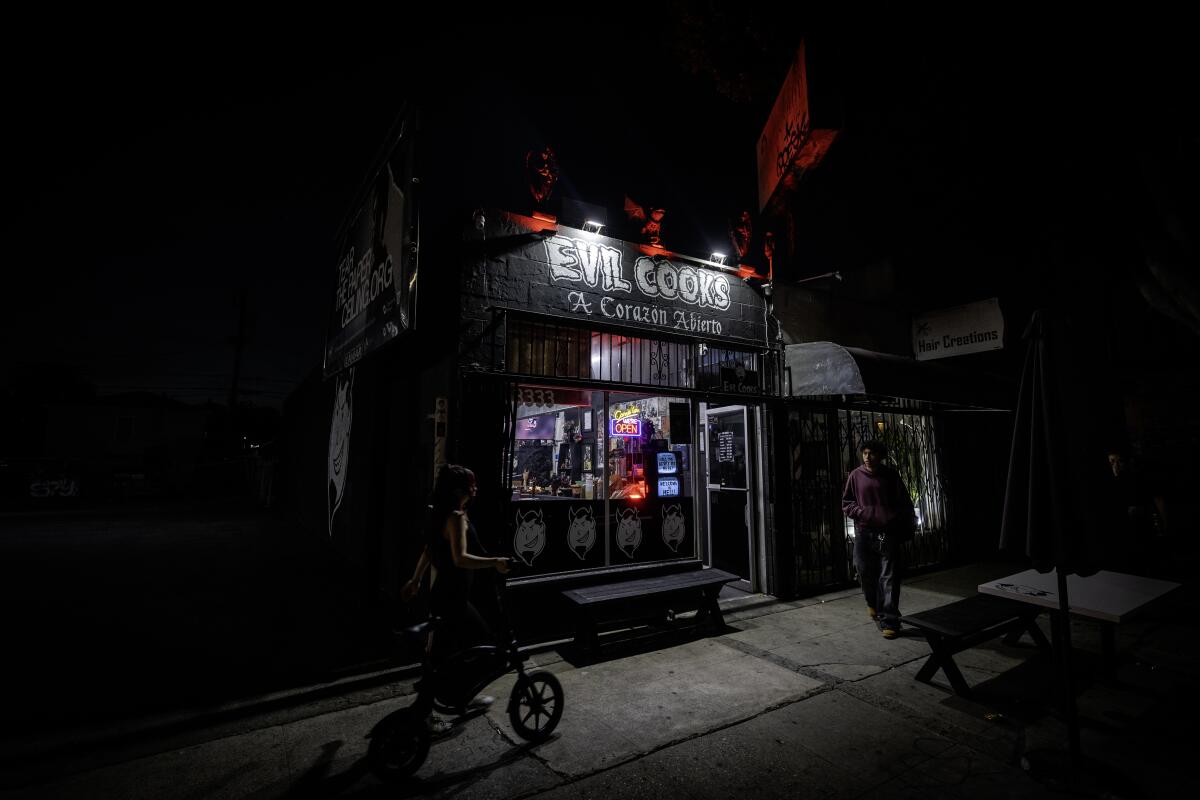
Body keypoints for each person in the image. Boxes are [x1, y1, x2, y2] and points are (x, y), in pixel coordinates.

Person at [401, 464, 510, 721]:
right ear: (460, 489)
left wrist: (415, 580)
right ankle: (449, 700)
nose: (475, 488)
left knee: (444, 655)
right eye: (472, 484)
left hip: (444, 594)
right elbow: (460, 558)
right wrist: (494, 562)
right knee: (485, 649)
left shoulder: (444, 513)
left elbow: (429, 551)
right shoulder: (456, 517)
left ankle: (436, 706)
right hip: (454, 597)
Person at [841, 440, 915, 639]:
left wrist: (891, 519)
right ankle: (872, 602)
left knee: (888, 576)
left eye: (871, 453)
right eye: (864, 453)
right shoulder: (856, 476)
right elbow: (847, 503)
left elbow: (904, 503)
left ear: (880, 456)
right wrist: (862, 513)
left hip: (886, 533)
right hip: (864, 532)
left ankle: (890, 620)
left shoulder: (890, 476)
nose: (867, 457)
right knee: (863, 571)